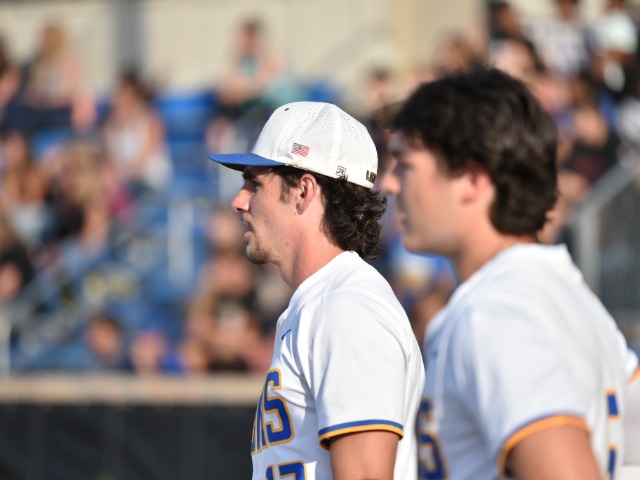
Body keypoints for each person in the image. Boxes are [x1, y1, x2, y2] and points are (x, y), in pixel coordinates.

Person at [378, 66, 640, 479]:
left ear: (471, 180)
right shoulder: (568, 296)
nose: (389, 184)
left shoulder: (493, 312)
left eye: (405, 165)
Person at [209, 101, 424, 479]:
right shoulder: (322, 302)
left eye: (254, 184)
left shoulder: (347, 306)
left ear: (304, 191)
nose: (239, 201)